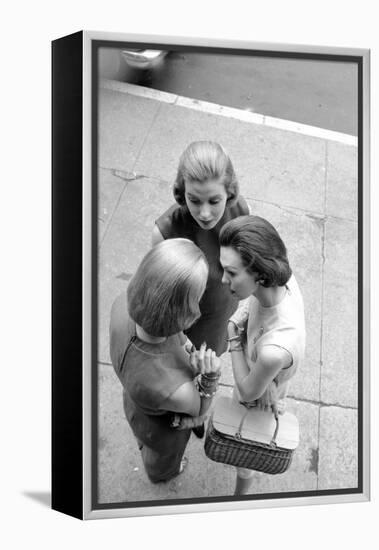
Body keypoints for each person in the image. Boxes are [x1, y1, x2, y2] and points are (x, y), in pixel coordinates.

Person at [109, 238, 222, 483]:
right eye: (198, 296)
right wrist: (211, 377)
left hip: (135, 401)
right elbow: (200, 408)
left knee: (143, 438)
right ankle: (163, 473)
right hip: (161, 429)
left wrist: (185, 344)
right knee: (161, 458)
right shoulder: (174, 390)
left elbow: (169, 328)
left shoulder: (122, 304)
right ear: (184, 312)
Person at [219, 215, 306, 495]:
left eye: (231, 273)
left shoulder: (274, 349)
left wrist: (233, 337)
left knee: (246, 455)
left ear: (260, 275)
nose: (223, 279)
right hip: (266, 378)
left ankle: (238, 503)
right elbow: (253, 304)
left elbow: (246, 391)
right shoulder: (283, 279)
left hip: (258, 397)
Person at [152, 140, 250, 356]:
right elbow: (161, 303)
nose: (205, 213)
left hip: (223, 320)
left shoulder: (242, 211)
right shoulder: (166, 233)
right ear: (181, 192)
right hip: (184, 338)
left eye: (214, 201)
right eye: (194, 200)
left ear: (230, 193)